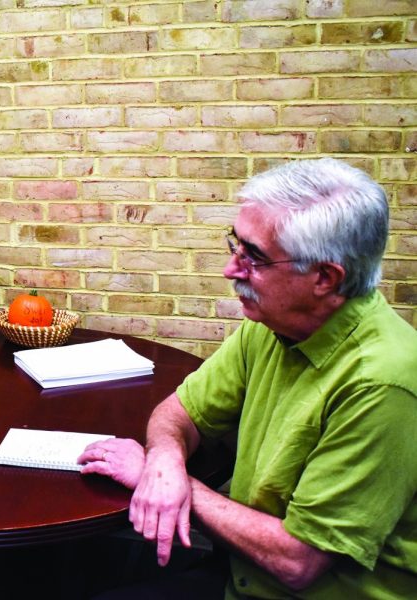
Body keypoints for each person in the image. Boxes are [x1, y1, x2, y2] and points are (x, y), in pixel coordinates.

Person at [79, 158, 417, 598]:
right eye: (235, 246)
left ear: (324, 277)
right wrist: (163, 460)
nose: (231, 269)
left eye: (254, 257)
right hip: (237, 573)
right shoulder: (271, 325)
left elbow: (299, 560)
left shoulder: (383, 383)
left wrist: (162, 478)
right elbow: (179, 412)